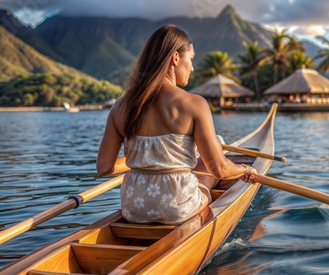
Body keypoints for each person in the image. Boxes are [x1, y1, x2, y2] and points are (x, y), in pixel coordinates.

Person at [96, 24, 256, 225]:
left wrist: (145, 158)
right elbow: (220, 169)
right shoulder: (194, 104)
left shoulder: (120, 106)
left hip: (133, 208)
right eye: (191, 59)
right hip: (176, 208)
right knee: (210, 165)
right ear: (175, 58)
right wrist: (245, 170)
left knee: (209, 150)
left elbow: (104, 167)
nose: (192, 67)